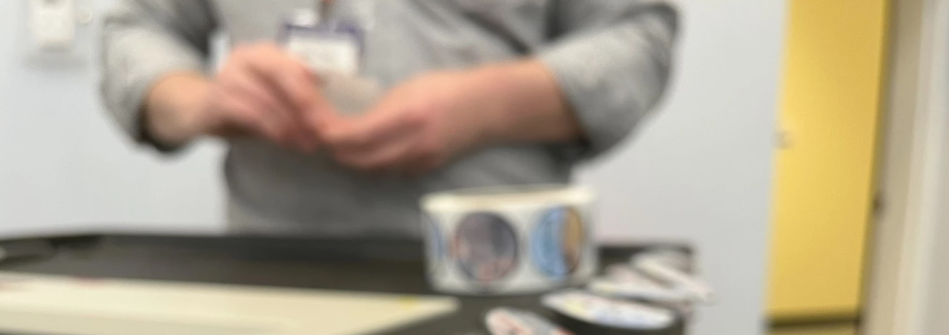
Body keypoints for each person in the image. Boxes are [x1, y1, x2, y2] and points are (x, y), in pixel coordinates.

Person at [101, 0, 678, 235]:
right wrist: (198, 100)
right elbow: (137, 27)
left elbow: (637, 39)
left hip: (492, 272)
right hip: (269, 270)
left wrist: (485, 106)